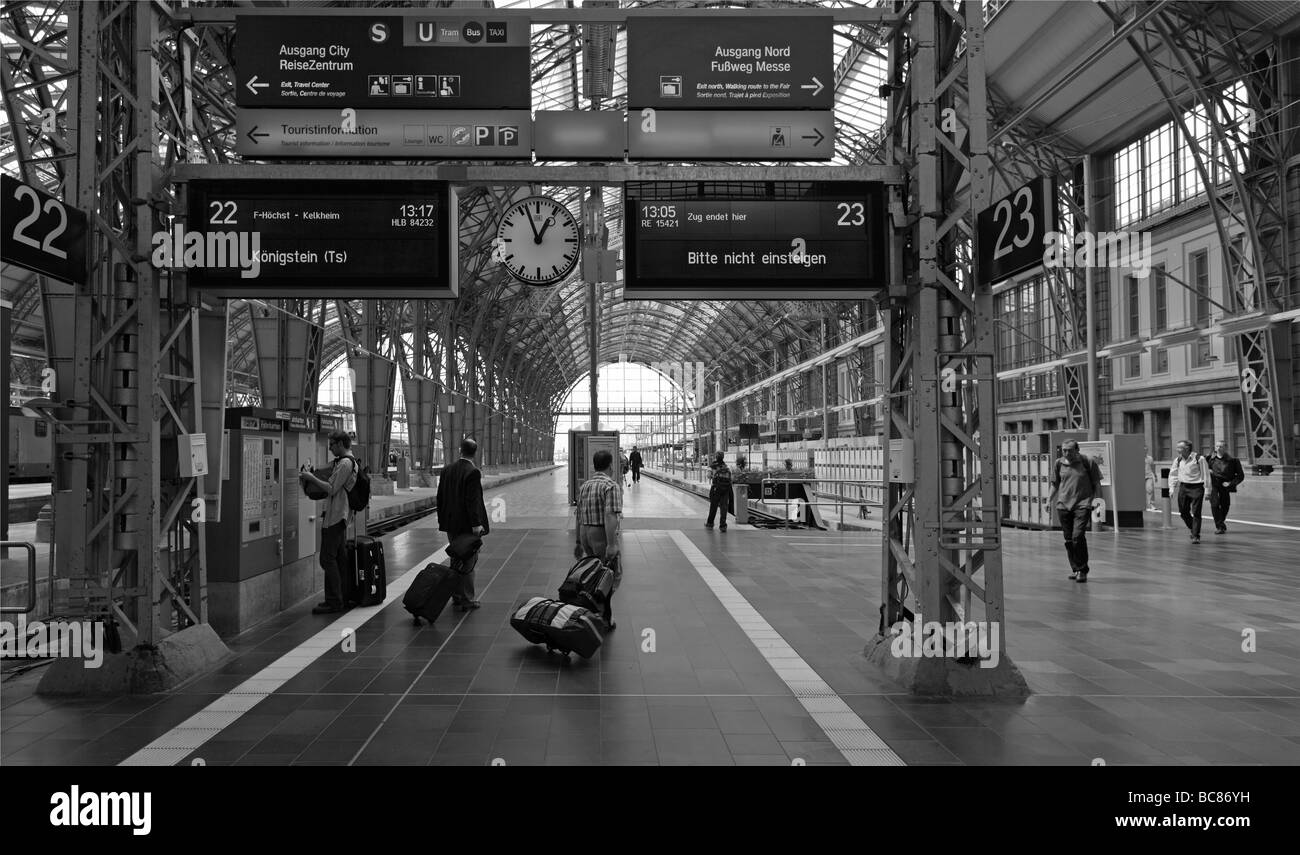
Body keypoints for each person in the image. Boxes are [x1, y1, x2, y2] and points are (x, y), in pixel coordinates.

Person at [299, 430, 358, 614]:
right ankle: (343, 596)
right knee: (339, 558)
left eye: (332, 444)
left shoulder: (346, 464)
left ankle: (334, 601)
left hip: (337, 516)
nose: (330, 448)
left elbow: (331, 489)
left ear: (341, 444)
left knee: (327, 559)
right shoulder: (345, 462)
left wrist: (310, 478)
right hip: (338, 515)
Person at [436, 438, 489, 611]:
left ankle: (457, 596)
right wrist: (476, 525)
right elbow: (471, 501)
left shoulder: (447, 470)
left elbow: (440, 498)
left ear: (460, 450)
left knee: (456, 558)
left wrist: (442, 519)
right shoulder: (473, 472)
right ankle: (466, 598)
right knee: (468, 562)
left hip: (451, 524)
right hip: (467, 526)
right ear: (475, 452)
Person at [575, 449, 623, 626]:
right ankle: (604, 615)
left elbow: (578, 514)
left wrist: (578, 542)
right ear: (611, 465)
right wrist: (611, 544)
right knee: (610, 575)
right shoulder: (610, 486)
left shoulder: (585, 485)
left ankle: (593, 610)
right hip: (600, 534)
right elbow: (610, 515)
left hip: (585, 533)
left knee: (593, 573)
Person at [1049, 440, 1102, 583]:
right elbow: (1055, 484)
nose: (1066, 453)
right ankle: (1076, 568)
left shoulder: (1087, 462)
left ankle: (1082, 570)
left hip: (1083, 504)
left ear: (1077, 450)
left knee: (1077, 536)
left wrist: (1099, 503)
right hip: (1063, 506)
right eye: (1064, 450)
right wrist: (1048, 500)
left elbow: (1097, 483)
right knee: (1068, 539)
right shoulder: (1059, 463)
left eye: (1070, 450)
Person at [1169, 439, 1207, 544]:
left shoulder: (1200, 459)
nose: (1177, 449)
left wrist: (1208, 490)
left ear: (1187, 448)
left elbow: (1206, 475)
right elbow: (1173, 474)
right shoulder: (1178, 460)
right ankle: (1193, 528)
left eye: (1179, 447)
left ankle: (1196, 535)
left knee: (1196, 512)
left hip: (1197, 487)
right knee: (1183, 512)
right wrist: (1171, 488)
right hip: (1184, 487)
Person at [1207, 439, 1245, 535]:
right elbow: (1202, 468)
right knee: (1215, 504)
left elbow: (1240, 476)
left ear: (1225, 448)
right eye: (1217, 446)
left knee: (1225, 505)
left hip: (1225, 485)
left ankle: (1221, 523)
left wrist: (1231, 484)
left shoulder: (1233, 460)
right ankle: (1220, 526)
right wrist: (1208, 471)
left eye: (1221, 446)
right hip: (1213, 484)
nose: (1218, 448)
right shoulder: (1209, 459)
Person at [705, 451, 733, 532]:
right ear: (723, 457)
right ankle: (723, 526)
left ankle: (710, 524)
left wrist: (713, 476)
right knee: (724, 508)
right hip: (725, 490)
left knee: (713, 507)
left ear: (716, 457)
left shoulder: (712, 466)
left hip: (716, 489)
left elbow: (708, 476)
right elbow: (731, 479)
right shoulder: (726, 467)